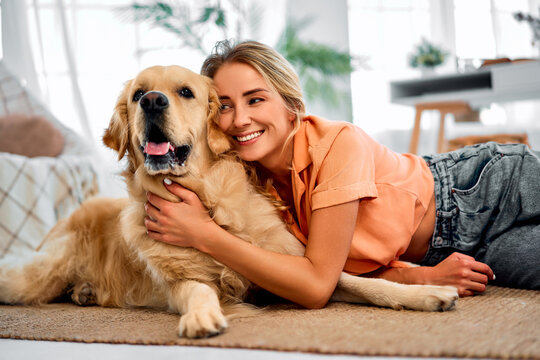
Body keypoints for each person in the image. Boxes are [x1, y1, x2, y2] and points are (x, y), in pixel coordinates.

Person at [144, 40, 540, 309]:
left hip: (486, 184)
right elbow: (334, 270)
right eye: (226, 106)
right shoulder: (244, 180)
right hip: (456, 248)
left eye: (256, 99)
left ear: (291, 105)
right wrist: (425, 276)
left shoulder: (338, 143)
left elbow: (316, 286)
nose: (240, 118)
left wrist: (205, 235)